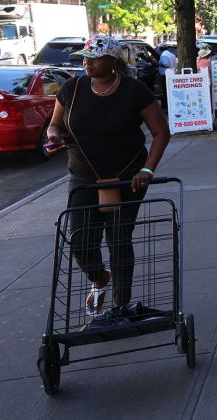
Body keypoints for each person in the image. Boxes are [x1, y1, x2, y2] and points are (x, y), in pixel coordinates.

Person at [46, 34, 170, 323]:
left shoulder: (134, 91)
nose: (87, 62)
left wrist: (147, 171)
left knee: (118, 239)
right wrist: (53, 138)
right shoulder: (71, 89)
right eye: (85, 57)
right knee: (80, 242)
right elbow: (54, 125)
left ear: (113, 60)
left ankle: (120, 305)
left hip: (128, 178)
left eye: (95, 57)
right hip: (83, 178)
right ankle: (101, 277)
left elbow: (161, 133)